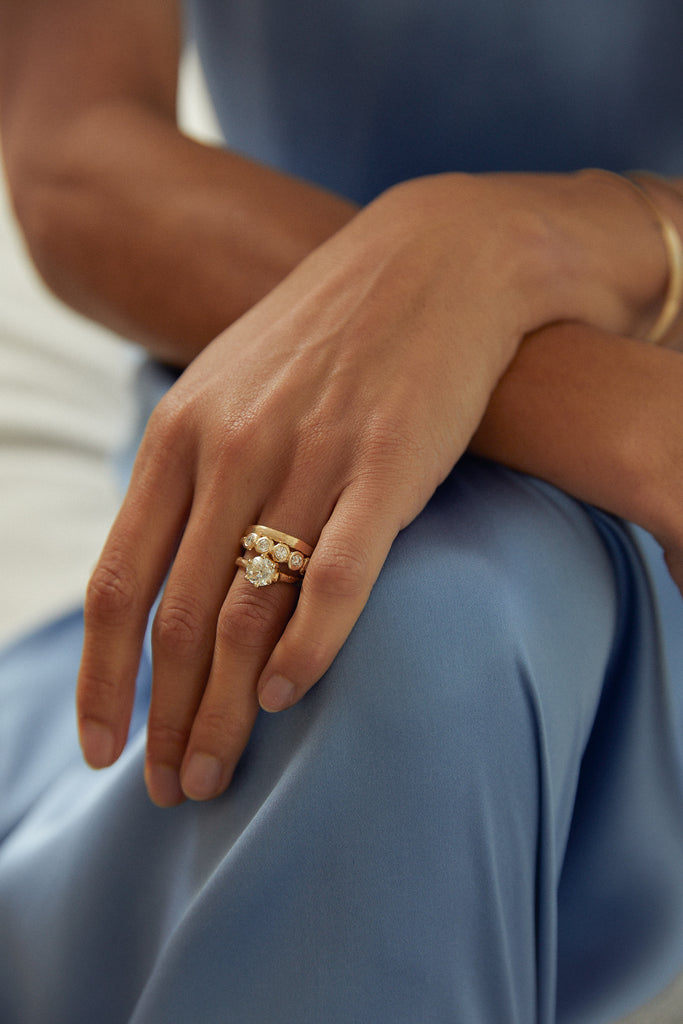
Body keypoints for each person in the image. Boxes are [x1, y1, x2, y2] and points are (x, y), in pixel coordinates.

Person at [0, 1, 682, 1021]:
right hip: (257, 429)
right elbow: (78, 158)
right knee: (338, 623)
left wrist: (544, 238)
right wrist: (498, 309)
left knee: (407, 632)